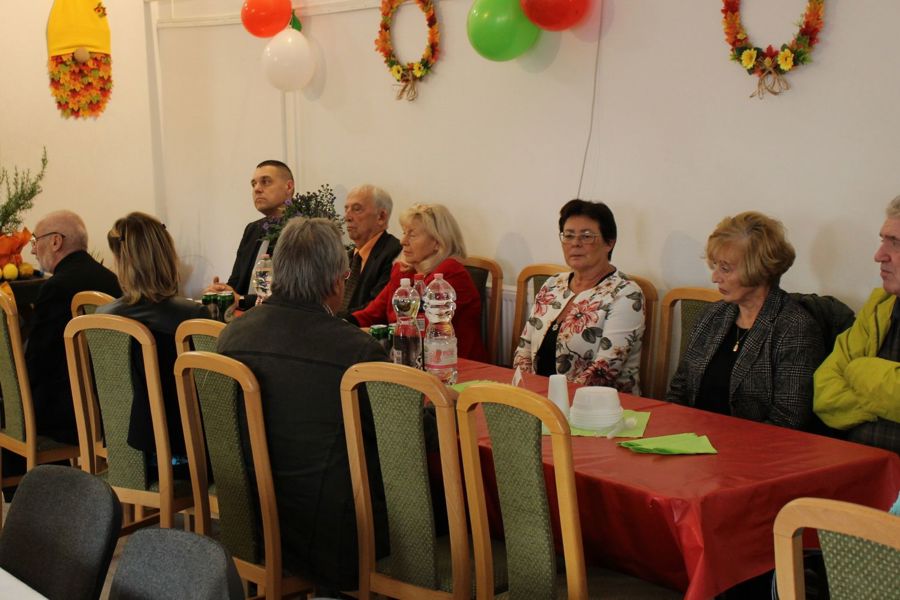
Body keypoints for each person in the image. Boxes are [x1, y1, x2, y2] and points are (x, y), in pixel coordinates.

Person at [217, 217, 389, 591]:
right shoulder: (357, 351)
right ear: (336, 282)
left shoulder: (232, 335)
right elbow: (397, 438)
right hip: (331, 539)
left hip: (247, 518)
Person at [667, 211, 824, 430]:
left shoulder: (794, 329)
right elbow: (679, 390)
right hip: (691, 440)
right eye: (715, 266)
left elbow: (787, 421)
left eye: (725, 269)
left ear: (758, 270)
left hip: (754, 447)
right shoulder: (712, 315)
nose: (715, 277)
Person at [97, 212, 207, 465]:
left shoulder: (101, 317)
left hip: (127, 449)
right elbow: (211, 392)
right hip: (184, 456)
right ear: (166, 257)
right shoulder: (191, 317)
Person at [513, 199, 645, 392]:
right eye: (568, 236)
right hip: (538, 397)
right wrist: (525, 390)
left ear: (609, 242)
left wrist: (554, 400)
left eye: (586, 236)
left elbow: (604, 370)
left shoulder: (626, 293)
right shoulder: (552, 284)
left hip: (596, 403)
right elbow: (524, 348)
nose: (575, 243)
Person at [25, 210, 121, 444]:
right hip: (111, 404)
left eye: (35, 241)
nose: (33, 250)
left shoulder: (55, 287)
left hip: (66, 411)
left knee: (11, 409)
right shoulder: (111, 280)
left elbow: (37, 359)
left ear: (56, 241)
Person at [349, 203, 488, 362]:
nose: (403, 241)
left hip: (453, 364)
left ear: (437, 242)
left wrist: (371, 333)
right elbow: (372, 313)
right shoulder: (405, 272)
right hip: (409, 359)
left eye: (412, 235)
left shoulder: (450, 274)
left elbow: (421, 332)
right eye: (404, 233)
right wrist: (345, 323)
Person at [814, 196, 900, 452]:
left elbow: (851, 373)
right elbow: (825, 394)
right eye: (882, 240)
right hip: (856, 462)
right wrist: (885, 405)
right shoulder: (879, 307)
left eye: (895, 243)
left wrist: (860, 370)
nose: (879, 255)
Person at [208, 160, 294, 309]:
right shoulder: (252, 229)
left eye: (265, 182)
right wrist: (222, 292)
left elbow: (292, 294)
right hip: (244, 317)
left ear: (288, 187)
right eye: (253, 184)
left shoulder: (303, 230)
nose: (257, 189)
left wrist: (241, 300)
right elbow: (236, 282)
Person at [337, 184, 402, 316]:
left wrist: (334, 319)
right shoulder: (347, 258)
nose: (347, 217)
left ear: (381, 217)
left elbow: (376, 308)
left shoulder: (394, 253)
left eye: (357, 209)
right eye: (346, 209)